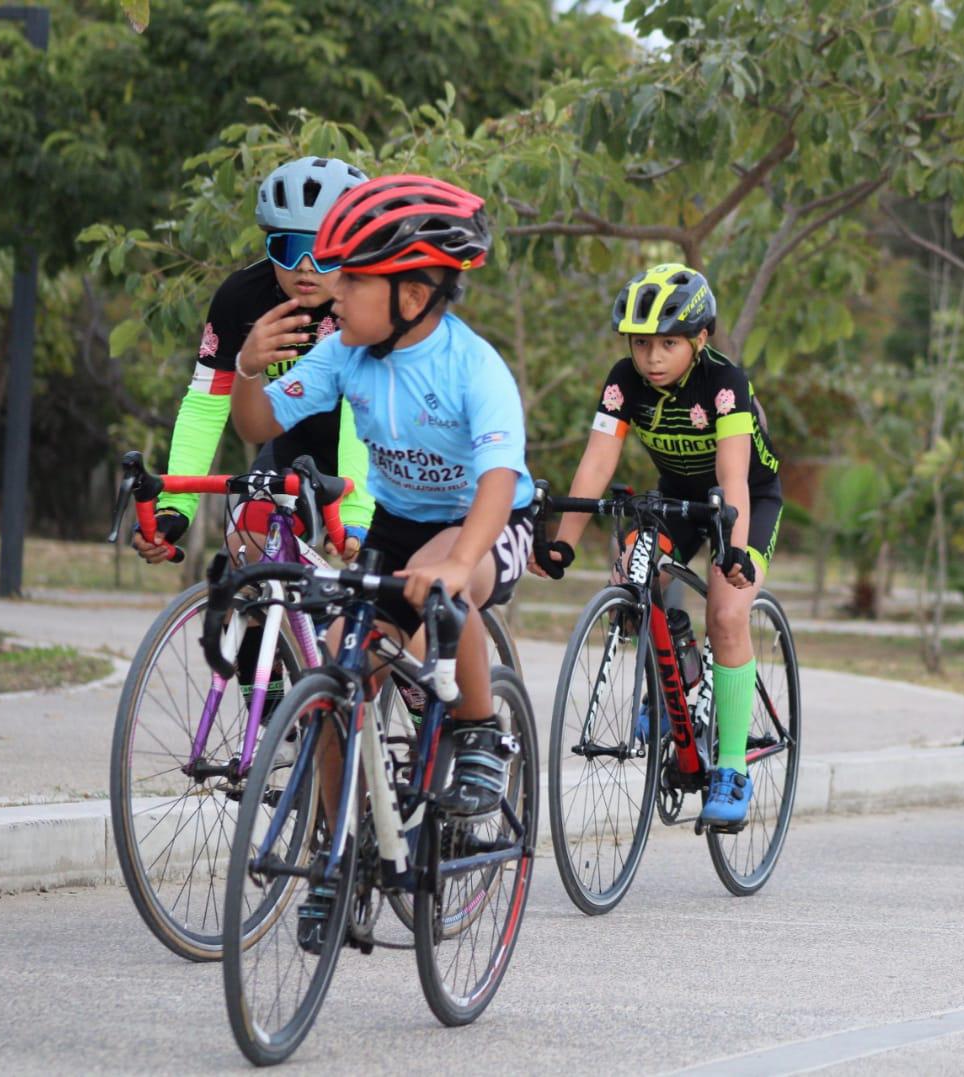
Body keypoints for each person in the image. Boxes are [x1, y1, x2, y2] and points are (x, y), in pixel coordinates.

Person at [229, 173, 536, 821]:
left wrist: (457, 563)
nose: (333, 290)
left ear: (414, 294)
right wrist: (248, 368)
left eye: (354, 278)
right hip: (399, 526)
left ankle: (481, 733)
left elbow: (498, 479)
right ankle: (342, 853)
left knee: (448, 588)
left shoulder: (473, 367)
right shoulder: (343, 353)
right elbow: (258, 426)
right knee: (341, 676)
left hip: (486, 519)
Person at [529, 263, 781, 828]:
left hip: (745, 500)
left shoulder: (725, 382)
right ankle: (678, 680)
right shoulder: (624, 380)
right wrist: (565, 545)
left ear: (700, 339)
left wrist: (735, 550)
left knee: (727, 611)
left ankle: (733, 769)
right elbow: (597, 460)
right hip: (675, 497)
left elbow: (735, 476)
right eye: (641, 344)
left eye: (668, 343)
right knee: (631, 573)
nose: (652, 358)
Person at [132, 156, 375, 713]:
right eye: (289, 250)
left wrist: (356, 513)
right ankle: (267, 722)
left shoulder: (368, 299)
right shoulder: (242, 298)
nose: (307, 267)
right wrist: (176, 507)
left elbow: (367, 418)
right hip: (294, 440)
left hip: (372, 447)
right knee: (247, 554)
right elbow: (205, 403)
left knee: (383, 599)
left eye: (327, 251)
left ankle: (417, 719)